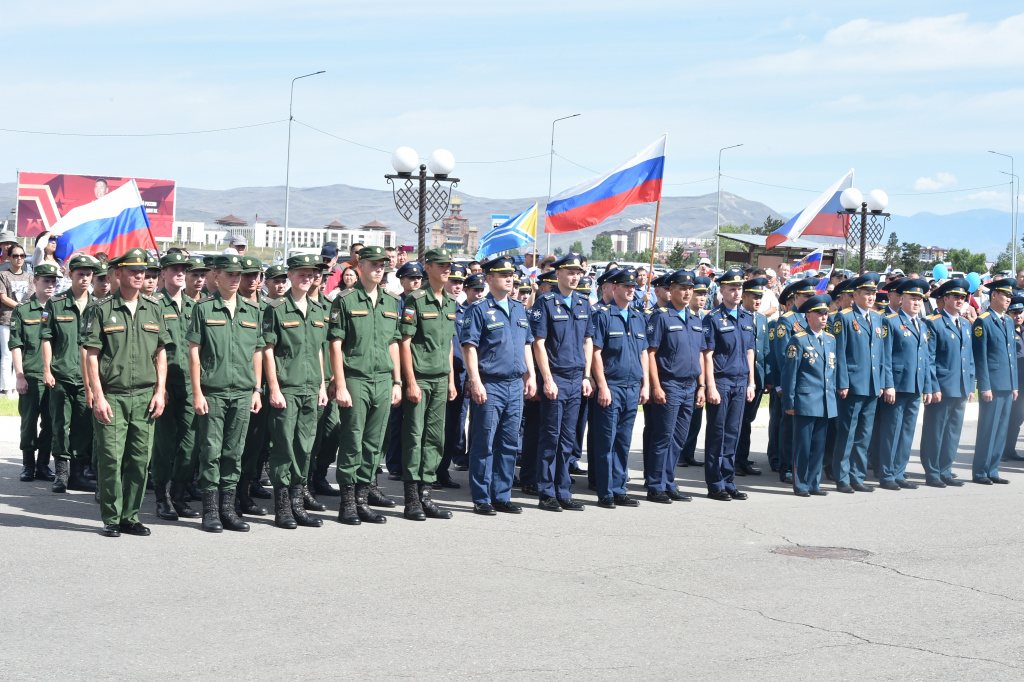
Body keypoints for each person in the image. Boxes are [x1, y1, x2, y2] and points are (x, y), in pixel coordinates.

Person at [82, 248, 169, 537]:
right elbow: (91, 355)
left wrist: (160, 391)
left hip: (145, 396)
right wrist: (98, 395)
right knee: (111, 458)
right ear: (118, 274)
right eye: (133, 270)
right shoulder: (101, 308)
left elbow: (161, 353)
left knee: (140, 460)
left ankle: (131, 516)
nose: (139, 275)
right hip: (113, 396)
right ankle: (112, 517)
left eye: (142, 270)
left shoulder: (154, 307)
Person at [188, 254, 265, 532]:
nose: (235, 279)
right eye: (230, 274)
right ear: (216, 276)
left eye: (239, 274)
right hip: (213, 391)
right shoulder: (204, 309)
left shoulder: (253, 311)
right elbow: (194, 353)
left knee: (234, 451)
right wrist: (197, 392)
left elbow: (258, 351)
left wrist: (257, 389)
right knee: (211, 451)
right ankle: (210, 510)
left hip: (243, 392)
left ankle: (228, 509)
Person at [329, 246, 403, 525]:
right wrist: (341, 384)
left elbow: (393, 342)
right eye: (373, 263)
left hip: (383, 379)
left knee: (374, 443)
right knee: (352, 440)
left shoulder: (390, 301)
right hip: (356, 378)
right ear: (360, 266)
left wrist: (397, 381)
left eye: (383, 264)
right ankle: (347, 503)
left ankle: (362, 499)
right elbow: (336, 344)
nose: (379, 268)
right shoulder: (345, 300)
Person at [460, 256, 536, 515]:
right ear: (489, 278)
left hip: (515, 384)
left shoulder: (518, 308)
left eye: (511, 274)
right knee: (484, 442)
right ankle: (482, 497)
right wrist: (476, 381)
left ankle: (502, 494)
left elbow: (527, 344)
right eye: (502, 274)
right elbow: (469, 347)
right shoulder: (479, 309)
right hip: (490, 384)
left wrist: (531, 376)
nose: (509, 278)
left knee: (508, 443)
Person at [263, 253, 329, 529]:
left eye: (311, 273)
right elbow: (268, 350)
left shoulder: (317, 310)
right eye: (301, 273)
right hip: (287, 388)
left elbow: (318, 351)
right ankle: (282, 507)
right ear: (289, 275)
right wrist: (274, 388)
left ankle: (297, 503)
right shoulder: (276, 309)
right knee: (283, 447)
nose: (307, 278)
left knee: (304, 447)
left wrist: (323, 385)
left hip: (311, 387)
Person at [529, 253, 594, 512]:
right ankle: (546, 492)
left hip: (577, 378)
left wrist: (587, 376)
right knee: (550, 436)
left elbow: (588, 341)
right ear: (558, 274)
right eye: (570, 272)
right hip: (556, 377)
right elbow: (539, 343)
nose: (575, 276)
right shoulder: (546, 302)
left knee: (568, 438)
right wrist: (547, 379)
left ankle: (563, 489)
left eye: (578, 272)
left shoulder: (583, 303)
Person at [398, 248, 457, 521]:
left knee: (436, 438)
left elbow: (447, 345)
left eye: (449, 266)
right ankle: (411, 499)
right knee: (414, 436)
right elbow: (405, 343)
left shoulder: (450, 302)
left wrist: (451, 379)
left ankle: (426, 495)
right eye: (442, 265)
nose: (447, 270)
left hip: (440, 379)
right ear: (429, 267)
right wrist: (409, 381)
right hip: (420, 378)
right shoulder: (415, 300)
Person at [590, 268, 649, 508]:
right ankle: (605, 492)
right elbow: (596, 353)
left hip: (632, 386)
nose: (631, 290)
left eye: (633, 286)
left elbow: (643, 351)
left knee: (623, 442)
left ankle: (619, 488)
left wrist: (645, 384)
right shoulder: (603, 316)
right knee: (606, 441)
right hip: (612, 386)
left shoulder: (637, 316)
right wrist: (602, 386)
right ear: (614, 288)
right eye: (626, 286)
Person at [644, 269, 704, 503]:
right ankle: (655, 485)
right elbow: (651, 353)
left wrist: (702, 386)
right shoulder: (661, 317)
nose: (687, 292)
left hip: (690, 385)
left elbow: (699, 354)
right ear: (671, 291)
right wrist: (656, 386)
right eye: (682, 288)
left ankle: (669, 482)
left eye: (690, 288)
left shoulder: (695, 319)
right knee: (663, 436)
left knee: (679, 437)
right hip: (669, 384)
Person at [149, 252, 200, 520]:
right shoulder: (153, 304)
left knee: (190, 443)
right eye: (174, 269)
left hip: (191, 386)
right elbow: (152, 348)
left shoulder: (195, 307)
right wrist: (159, 386)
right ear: (163, 273)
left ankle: (179, 494)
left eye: (184, 269)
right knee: (164, 444)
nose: (180, 273)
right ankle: (162, 497)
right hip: (165, 384)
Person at [42, 255, 98, 493]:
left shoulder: (99, 305)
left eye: (88, 274)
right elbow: (47, 338)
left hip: (88, 379)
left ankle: (77, 473)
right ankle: (61, 474)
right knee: (60, 425)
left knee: (84, 425)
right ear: (70, 275)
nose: (84, 278)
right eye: (80, 274)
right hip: (62, 374)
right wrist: (47, 369)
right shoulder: (56, 304)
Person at [832, 273, 893, 493]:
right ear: (855, 295)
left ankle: (857, 476)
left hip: (872, 385)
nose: (871, 296)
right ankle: (842, 477)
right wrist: (842, 382)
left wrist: (884, 383)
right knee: (847, 432)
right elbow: (839, 353)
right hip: (852, 385)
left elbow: (882, 354)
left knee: (864, 434)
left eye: (873, 293)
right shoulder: (845, 318)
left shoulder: (878, 318)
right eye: (866, 293)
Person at [701, 267, 756, 501]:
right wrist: (710, 386)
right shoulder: (712, 318)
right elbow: (707, 355)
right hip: (721, 382)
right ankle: (715, 484)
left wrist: (752, 383)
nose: (736, 293)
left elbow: (750, 352)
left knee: (733, 432)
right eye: (732, 289)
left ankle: (729, 480)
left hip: (741, 381)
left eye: (739, 288)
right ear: (721, 290)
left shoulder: (746, 317)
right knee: (718, 433)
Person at [876, 278, 930, 490]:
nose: (917, 303)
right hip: (897, 386)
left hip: (914, 386)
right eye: (912, 298)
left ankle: (899, 472)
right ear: (901, 299)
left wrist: (927, 386)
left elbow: (925, 358)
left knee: (907, 431)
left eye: (920, 299)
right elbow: (886, 356)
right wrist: (888, 384)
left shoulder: (922, 325)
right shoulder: (891, 321)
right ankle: (887, 474)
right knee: (892, 431)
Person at [780, 294, 836, 497]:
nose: (824, 317)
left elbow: (832, 372)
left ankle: (814, 482)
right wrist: (790, 402)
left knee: (819, 446)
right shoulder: (799, 340)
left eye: (826, 314)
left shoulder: (830, 340)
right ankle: (801, 483)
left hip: (825, 401)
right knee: (803, 446)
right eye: (819, 314)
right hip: (805, 401)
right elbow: (789, 375)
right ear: (808, 316)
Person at [920, 278, 975, 488]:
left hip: (960, 387)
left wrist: (970, 386)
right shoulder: (933, 323)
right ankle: (932, 472)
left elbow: (969, 359)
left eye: (963, 297)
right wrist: (932, 387)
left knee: (953, 432)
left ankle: (946, 469)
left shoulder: (966, 325)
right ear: (945, 299)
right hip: (941, 388)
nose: (960, 301)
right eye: (956, 297)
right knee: (935, 431)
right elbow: (929, 359)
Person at [10, 263, 59, 483]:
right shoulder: (22, 310)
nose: (50, 285)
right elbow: (16, 345)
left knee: (50, 423)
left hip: (55, 376)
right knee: (29, 423)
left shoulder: (59, 308)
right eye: (46, 281)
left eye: (53, 281)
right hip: (31, 374)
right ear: (35, 282)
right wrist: (19, 375)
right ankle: (28, 465)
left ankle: (43, 465)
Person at [971, 278, 1018, 485]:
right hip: (992, 385)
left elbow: (1011, 357)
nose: (1008, 299)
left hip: (1007, 384)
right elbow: (980, 357)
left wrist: (1014, 384)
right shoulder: (983, 321)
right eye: (1005, 295)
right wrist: (985, 385)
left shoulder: (1007, 321)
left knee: (1001, 429)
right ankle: (981, 471)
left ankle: (993, 468)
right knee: (988, 428)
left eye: (1009, 296)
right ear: (993, 296)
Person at [384, 261, 424, 481]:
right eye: (411, 278)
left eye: (418, 278)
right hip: (397, 365)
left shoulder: (424, 302)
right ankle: (395, 463)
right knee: (397, 418)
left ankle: (414, 463)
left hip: (419, 365)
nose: (416, 281)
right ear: (402, 281)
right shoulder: (395, 303)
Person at [437, 263, 468, 489]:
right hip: (438, 376)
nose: (457, 286)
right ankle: (430, 471)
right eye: (454, 281)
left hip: (460, 376)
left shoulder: (463, 312)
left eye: (460, 282)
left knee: (454, 428)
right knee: (436, 427)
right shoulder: (437, 308)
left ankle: (443, 470)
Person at [735, 277, 770, 476]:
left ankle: (743, 458)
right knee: (737, 422)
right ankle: (734, 461)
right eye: (754, 297)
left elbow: (765, 352)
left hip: (757, 379)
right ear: (744, 296)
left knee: (747, 420)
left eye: (760, 297)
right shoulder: (738, 316)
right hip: (741, 378)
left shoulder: (763, 319)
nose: (758, 301)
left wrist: (766, 379)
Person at [677, 275, 711, 468]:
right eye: (698, 294)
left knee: (695, 418)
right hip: (682, 376)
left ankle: (688, 452)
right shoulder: (685, 315)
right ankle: (680, 453)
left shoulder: (704, 318)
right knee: (683, 419)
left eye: (704, 294)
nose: (701, 298)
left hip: (698, 375)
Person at [0, 244, 34, 397]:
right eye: (16, 256)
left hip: (25, 320)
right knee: (7, 355)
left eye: (22, 256)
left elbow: (31, 297)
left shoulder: (29, 276)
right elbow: (3, 297)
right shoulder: (3, 275)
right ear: (10, 257)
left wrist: (23, 309)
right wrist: (20, 307)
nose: (19, 258)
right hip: (6, 320)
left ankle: (16, 387)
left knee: (19, 354)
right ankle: (6, 388)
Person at [1001, 296, 1024, 462]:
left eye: (1021, 312)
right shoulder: (1005, 330)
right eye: (1014, 312)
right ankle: (1003, 451)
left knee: (1018, 419)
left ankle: (1010, 450)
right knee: (1010, 418)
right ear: (1008, 314)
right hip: (1013, 382)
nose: (1018, 316)